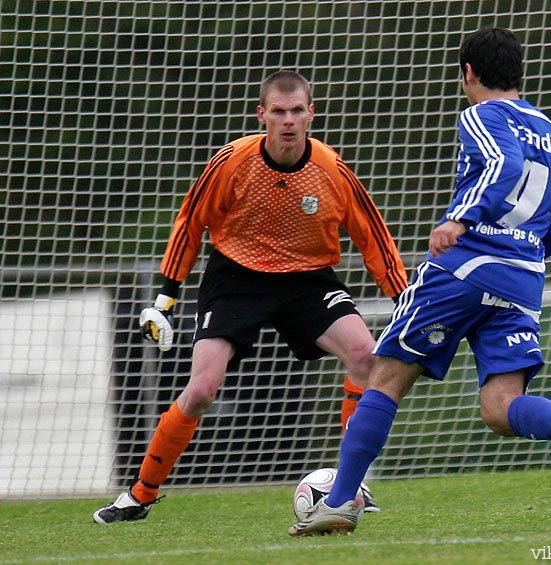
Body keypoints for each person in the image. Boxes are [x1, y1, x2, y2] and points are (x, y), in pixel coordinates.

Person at [289, 27, 551, 537]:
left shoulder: (482, 114)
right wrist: (526, 249)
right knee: (500, 409)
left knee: (386, 378)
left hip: (464, 266)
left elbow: (502, 164)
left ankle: (341, 501)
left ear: (469, 73)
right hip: (522, 281)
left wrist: (462, 218)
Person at [93, 70, 407, 524]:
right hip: (236, 277)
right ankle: (139, 495)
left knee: (365, 356)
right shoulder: (232, 161)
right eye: (278, 112)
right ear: (262, 115)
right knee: (201, 390)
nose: (288, 121)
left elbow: (372, 236)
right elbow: (190, 222)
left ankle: (348, 487)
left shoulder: (332, 170)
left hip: (307, 278)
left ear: (311, 115)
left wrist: (402, 295)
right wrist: (166, 299)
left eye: (297, 111)